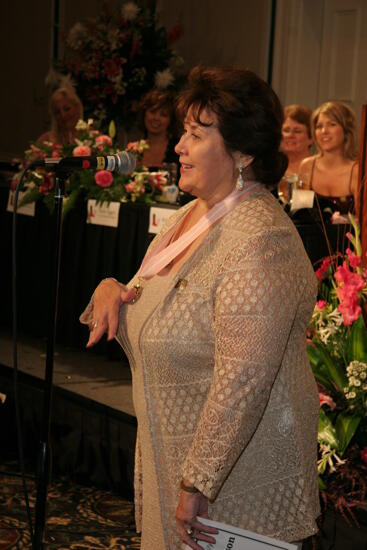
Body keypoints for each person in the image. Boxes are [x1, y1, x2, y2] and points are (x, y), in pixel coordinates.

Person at [80, 67, 320, 550]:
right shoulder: (194, 216)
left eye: (195, 134)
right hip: (176, 457)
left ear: (243, 151)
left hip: (234, 488)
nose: (178, 147)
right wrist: (109, 287)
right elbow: (142, 296)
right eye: (183, 132)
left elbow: (243, 381)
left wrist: (197, 483)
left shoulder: (260, 241)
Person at [299, 100, 359, 217]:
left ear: (346, 130)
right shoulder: (306, 166)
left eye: (332, 124)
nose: (324, 131)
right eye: (319, 126)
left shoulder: (357, 170)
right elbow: (300, 214)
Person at [137, 89, 179, 169]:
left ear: (171, 120)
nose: (156, 118)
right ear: (144, 114)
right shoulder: (133, 149)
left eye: (163, 115)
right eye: (153, 112)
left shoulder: (180, 150)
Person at [281, 104, 313, 176]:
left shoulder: (318, 170)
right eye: (286, 130)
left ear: (311, 138)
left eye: (297, 131)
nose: (290, 135)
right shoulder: (270, 168)